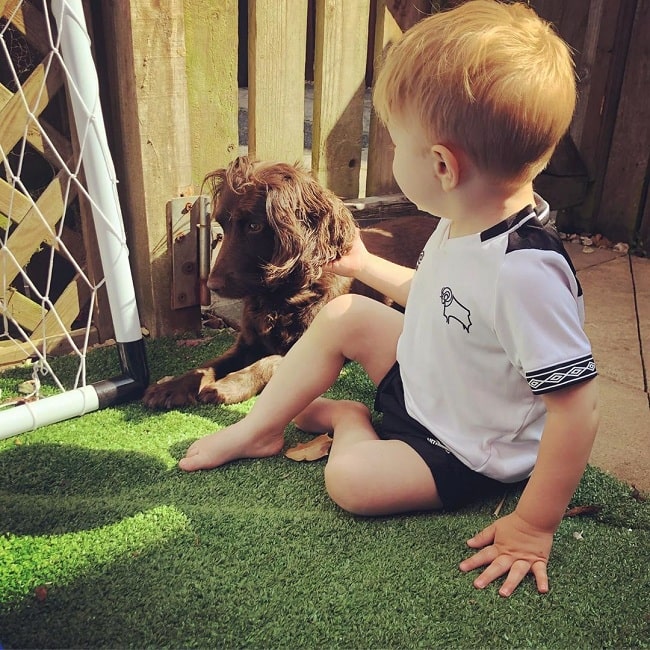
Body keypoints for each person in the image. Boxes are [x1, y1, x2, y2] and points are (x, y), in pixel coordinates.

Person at [179, 0, 599, 597]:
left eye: (395, 143)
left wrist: (533, 525)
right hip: (431, 382)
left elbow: (576, 410)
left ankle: (352, 423)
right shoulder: (462, 220)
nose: (391, 156)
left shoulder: (525, 274)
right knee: (345, 311)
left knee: (351, 483)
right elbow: (436, 298)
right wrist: (362, 266)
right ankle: (257, 430)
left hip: (463, 446)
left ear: (442, 165)